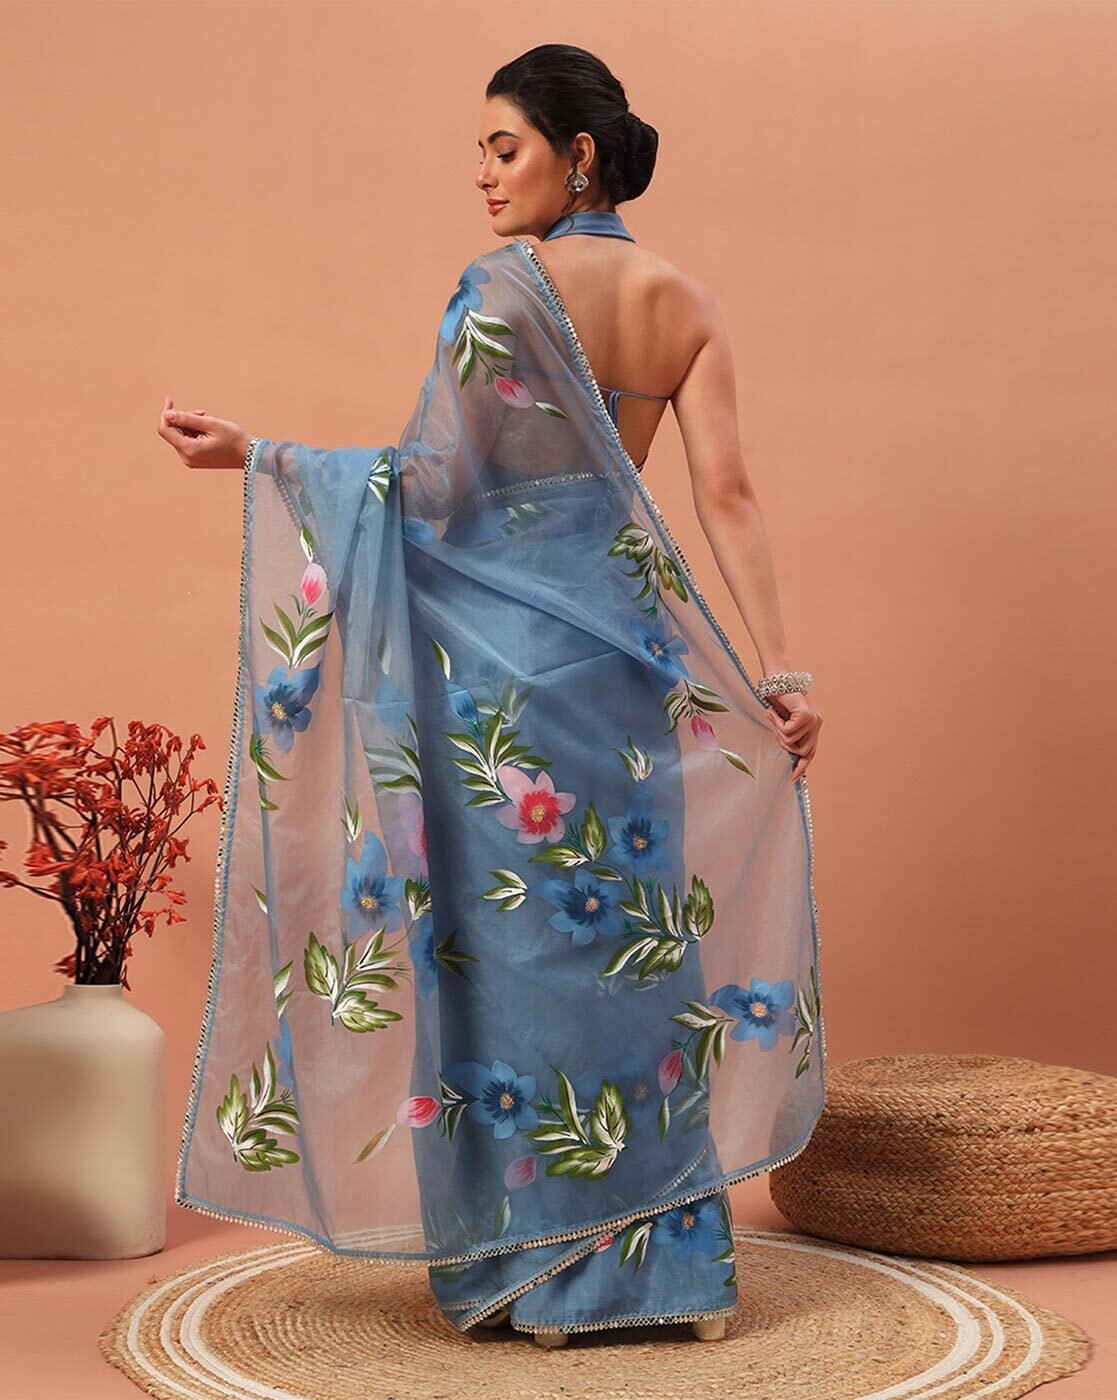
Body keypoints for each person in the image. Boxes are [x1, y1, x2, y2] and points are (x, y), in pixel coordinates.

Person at [160, 43, 826, 1346]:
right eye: (477, 151)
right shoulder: (684, 301)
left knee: (520, 954)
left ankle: (543, 1271)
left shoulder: (501, 291)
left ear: (576, 156)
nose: (481, 174)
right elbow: (726, 495)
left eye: (502, 147)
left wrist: (264, 456)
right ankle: (673, 1276)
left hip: (506, 674)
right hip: (625, 660)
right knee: (631, 947)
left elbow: (431, 487)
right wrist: (779, 672)